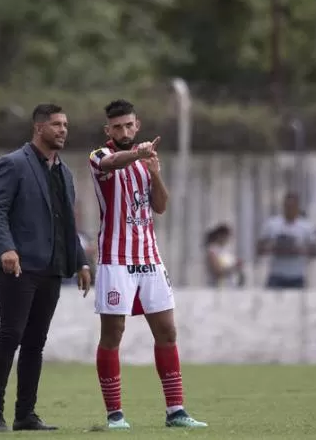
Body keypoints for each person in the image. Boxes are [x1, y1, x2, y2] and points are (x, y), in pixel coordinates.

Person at [89, 99, 207, 430]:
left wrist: (155, 173)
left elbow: (161, 206)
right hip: (115, 261)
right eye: (117, 127)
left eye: (129, 125)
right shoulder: (99, 156)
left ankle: (176, 411)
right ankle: (115, 414)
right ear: (107, 130)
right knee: (113, 333)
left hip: (150, 259)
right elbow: (112, 162)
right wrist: (138, 155)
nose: (124, 131)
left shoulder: (146, 159)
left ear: (137, 125)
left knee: (167, 331)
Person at [0, 103, 92, 433]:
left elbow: (66, 225)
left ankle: (25, 414)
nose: (63, 130)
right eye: (57, 124)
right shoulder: (14, 164)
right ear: (39, 127)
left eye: (66, 125)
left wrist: (81, 260)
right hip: (17, 267)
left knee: (35, 342)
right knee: (11, 335)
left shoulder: (65, 173)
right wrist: (6, 248)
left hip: (52, 269)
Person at [256, 192, 316, 289]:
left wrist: (299, 250)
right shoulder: (272, 224)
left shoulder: (306, 226)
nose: (289, 209)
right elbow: (259, 249)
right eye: (287, 206)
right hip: (276, 275)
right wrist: (273, 248)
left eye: (292, 206)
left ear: (297, 207)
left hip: (297, 276)